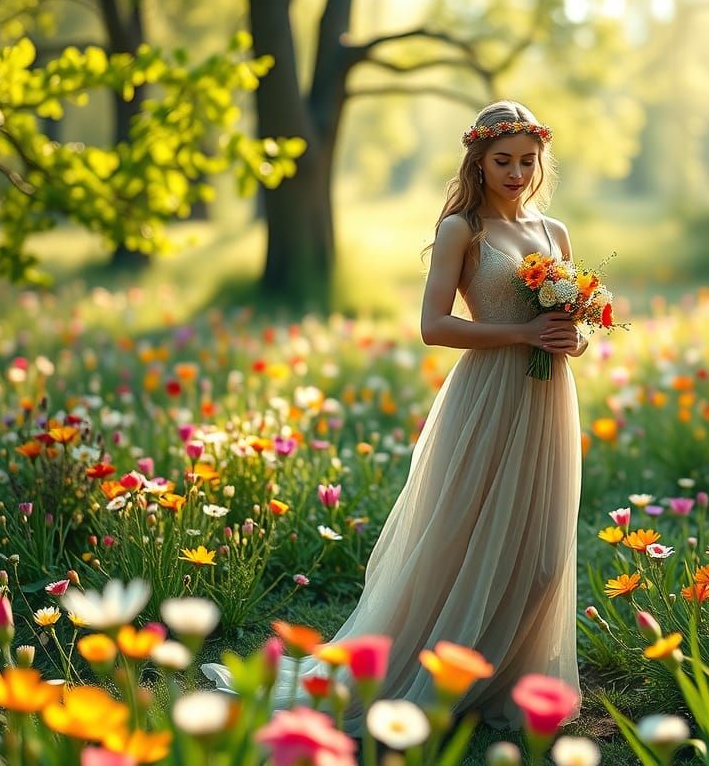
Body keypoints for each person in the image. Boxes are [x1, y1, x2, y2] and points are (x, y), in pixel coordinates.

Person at [203, 99, 585, 734]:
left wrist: (573, 339)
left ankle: (505, 678)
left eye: (527, 160)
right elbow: (434, 326)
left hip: (547, 400)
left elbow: (569, 326)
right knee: (464, 541)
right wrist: (522, 334)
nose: (517, 173)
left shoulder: (555, 231)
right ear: (478, 160)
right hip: (487, 397)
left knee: (542, 554)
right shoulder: (463, 229)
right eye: (503, 161)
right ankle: (438, 673)